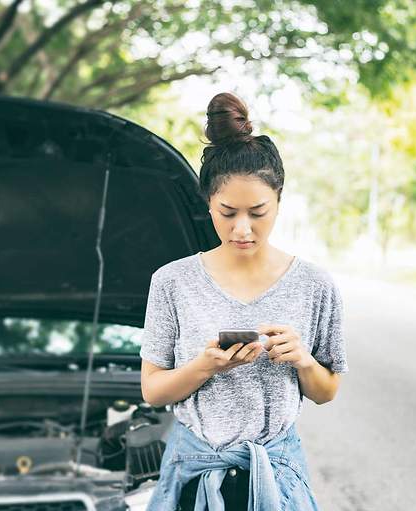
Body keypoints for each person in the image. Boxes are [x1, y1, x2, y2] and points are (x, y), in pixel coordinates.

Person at [139, 91, 349, 510]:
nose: (242, 229)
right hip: (193, 477)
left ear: (279, 201)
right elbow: (153, 391)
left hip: (278, 476)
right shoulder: (172, 282)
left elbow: (326, 391)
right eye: (227, 211)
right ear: (208, 204)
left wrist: (303, 361)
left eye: (258, 212)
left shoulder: (315, 285)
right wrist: (204, 366)